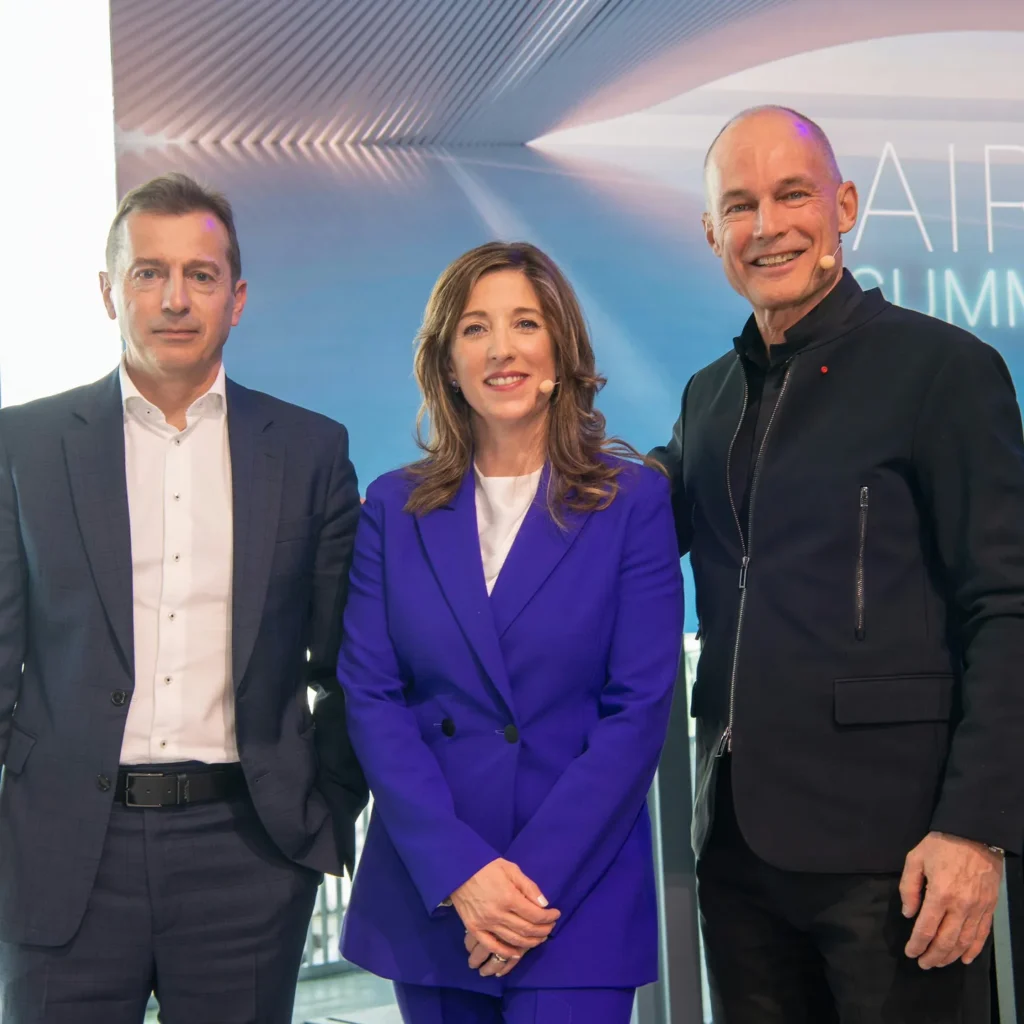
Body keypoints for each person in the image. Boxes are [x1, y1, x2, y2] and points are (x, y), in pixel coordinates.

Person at [651, 104, 1024, 1023]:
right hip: (736, 854)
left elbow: (1007, 605)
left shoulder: (945, 369)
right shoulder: (707, 396)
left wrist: (974, 829)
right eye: (739, 205)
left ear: (845, 205)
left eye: (791, 195)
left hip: (898, 862)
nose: (767, 225)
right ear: (712, 233)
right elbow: (631, 522)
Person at [0, 173, 368, 1023]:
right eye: (148, 273)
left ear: (236, 298)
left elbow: (347, 660)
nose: (174, 298)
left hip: (245, 854)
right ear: (107, 291)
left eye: (200, 275)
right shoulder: (24, 447)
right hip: (65, 856)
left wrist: (324, 814)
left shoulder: (310, 451)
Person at [330, 241, 683, 1024]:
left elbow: (638, 711)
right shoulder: (395, 506)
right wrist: (463, 875)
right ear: (447, 362)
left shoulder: (631, 503)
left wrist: (525, 885)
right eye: (475, 328)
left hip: (571, 898)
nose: (501, 349)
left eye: (524, 323)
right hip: (436, 894)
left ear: (560, 350)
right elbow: (372, 697)